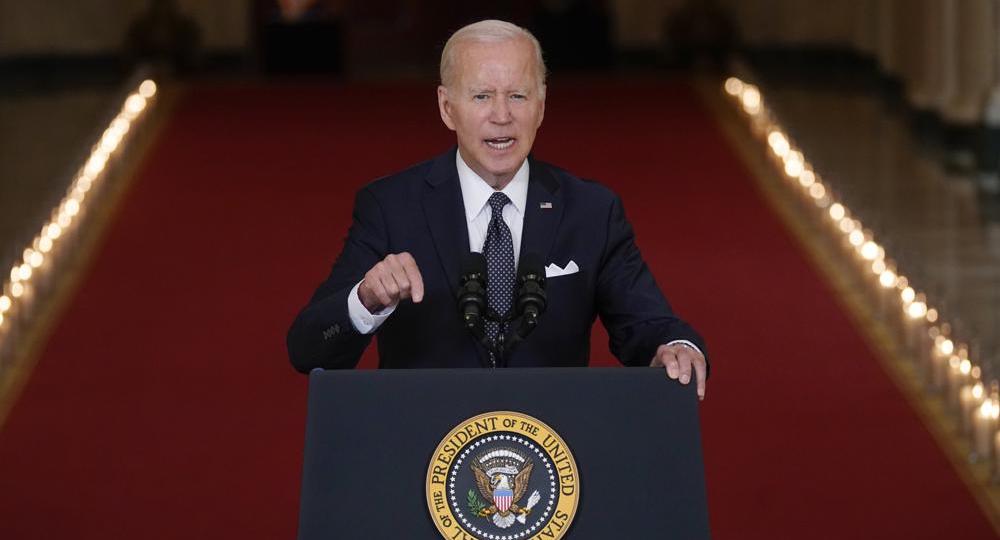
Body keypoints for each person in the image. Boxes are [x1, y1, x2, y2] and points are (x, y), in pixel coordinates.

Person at [286, 19, 709, 399]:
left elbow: (650, 326)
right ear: (446, 107)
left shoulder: (592, 210)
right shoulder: (390, 207)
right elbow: (308, 348)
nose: (502, 116)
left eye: (518, 95)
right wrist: (366, 299)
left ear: (541, 106)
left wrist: (676, 348)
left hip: (554, 451)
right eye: (482, 96)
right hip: (425, 447)